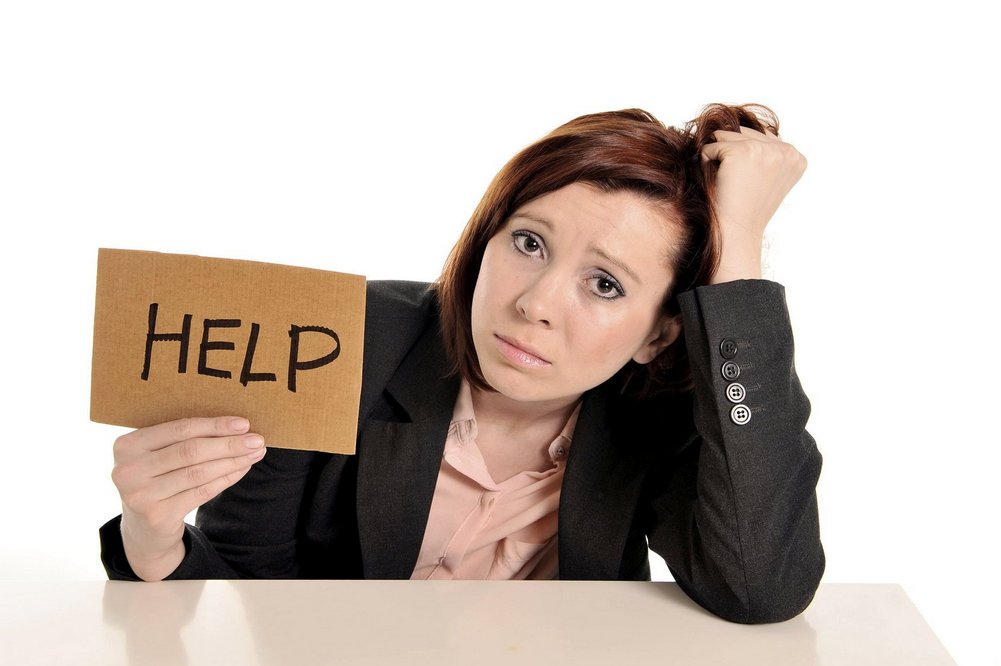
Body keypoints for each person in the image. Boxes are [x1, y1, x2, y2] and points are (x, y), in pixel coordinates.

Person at [100, 103, 824, 624]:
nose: (535, 303)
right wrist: (152, 540)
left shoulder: (669, 411)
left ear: (658, 337)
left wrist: (737, 248)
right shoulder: (338, 341)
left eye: (604, 284)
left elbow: (760, 588)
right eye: (529, 243)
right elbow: (245, 601)